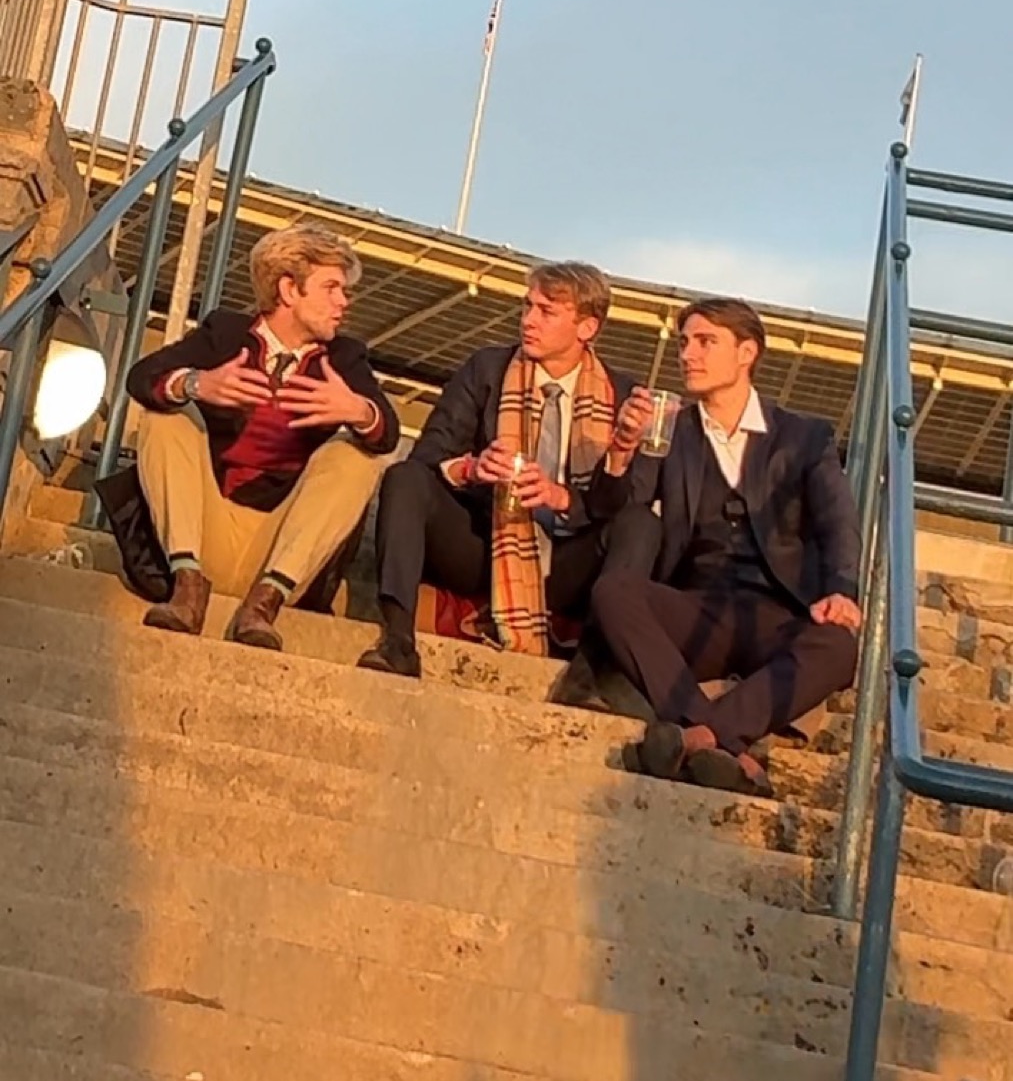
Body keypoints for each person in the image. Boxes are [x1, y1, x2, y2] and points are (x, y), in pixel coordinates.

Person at [588, 296, 861, 796]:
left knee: (841, 645)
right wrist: (622, 451)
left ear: (746, 352)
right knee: (614, 592)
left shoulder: (803, 437)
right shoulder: (671, 429)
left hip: (776, 614)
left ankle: (700, 735)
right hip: (697, 608)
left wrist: (842, 589)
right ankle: (721, 739)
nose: (687, 354)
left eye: (705, 342)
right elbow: (614, 511)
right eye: (684, 342)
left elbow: (837, 522)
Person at [97, 224, 399, 650]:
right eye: (331, 287)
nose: (343, 301)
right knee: (167, 414)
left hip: (281, 547)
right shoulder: (226, 333)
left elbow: (389, 431)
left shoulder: (345, 357)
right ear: (289, 290)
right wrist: (197, 384)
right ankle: (186, 587)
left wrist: (357, 410)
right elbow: (141, 377)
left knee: (359, 453)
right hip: (202, 531)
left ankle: (264, 602)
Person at [357, 261, 660, 677]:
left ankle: (586, 674)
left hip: (569, 561)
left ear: (587, 328)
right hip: (486, 544)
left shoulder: (622, 394)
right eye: (527, 306)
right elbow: (427, 456)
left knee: (641, 524)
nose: (529, 321)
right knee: (404, 479)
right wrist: (473, 468)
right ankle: (398, 640)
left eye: (547, 312)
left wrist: (571, 491)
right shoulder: (487, 369)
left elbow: (631, 502)